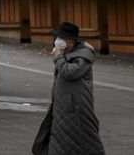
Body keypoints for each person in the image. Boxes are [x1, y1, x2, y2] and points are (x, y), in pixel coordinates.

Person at [33, 22, 105, 154]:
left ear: (71, 41)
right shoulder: (68, 51)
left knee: (84, 137)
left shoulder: (84, 54)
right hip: (64, 104)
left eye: (62, 38)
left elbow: (70, 72)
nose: (58, 41)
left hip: (76, 105)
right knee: (60, 138)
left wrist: (58, 57)